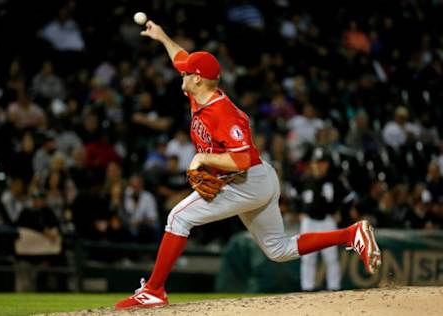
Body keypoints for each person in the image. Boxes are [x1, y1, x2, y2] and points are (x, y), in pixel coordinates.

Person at [115, 20, 382, 309]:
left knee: (178, 218)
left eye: (188, 72)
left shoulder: (223, 113)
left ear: (198, 79)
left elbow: (241, 160)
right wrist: (162, 36)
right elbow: (182, 57)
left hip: (245, 181)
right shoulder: (197, 92)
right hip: (259, 179)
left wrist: (203, 158)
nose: (182, 71)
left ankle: (154, 290)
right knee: (279, 250)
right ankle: (351, 234)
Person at [290, 147, 356, 291]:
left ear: (327, 164)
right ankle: (307, 288)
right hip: (308, 222)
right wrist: (298, 212)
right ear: (312, 164)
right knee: (308, 257)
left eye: (322, 163)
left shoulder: (334, 181)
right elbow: (293, 195)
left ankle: (334, 287)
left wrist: (341, 214)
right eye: (316, 162)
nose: (319, 166)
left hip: (327, 221)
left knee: (331, 257)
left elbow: (349, 197)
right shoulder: (304, 180)